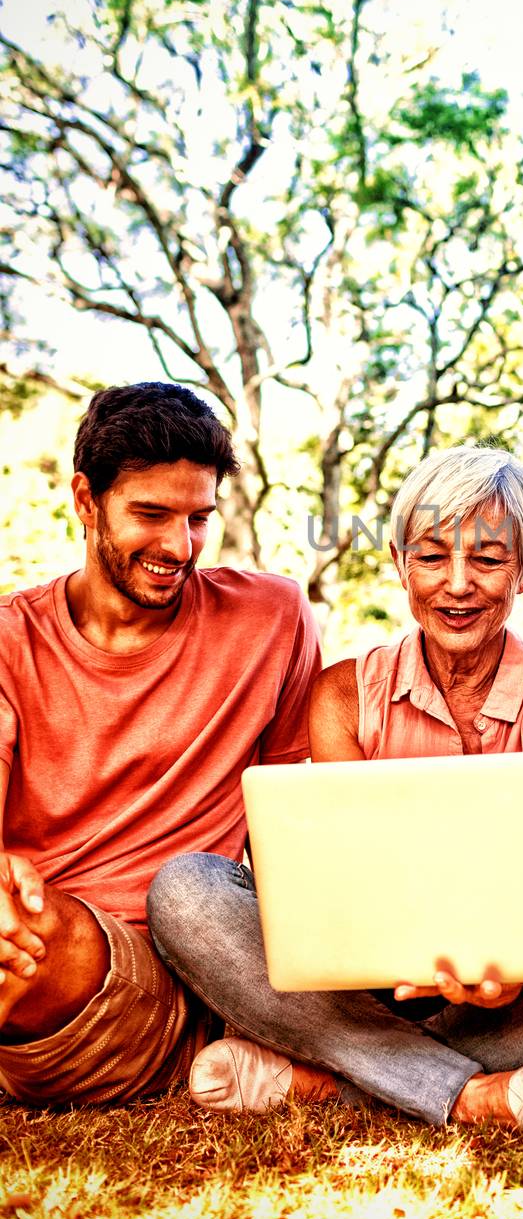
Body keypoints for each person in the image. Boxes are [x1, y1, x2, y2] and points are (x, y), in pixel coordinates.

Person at [148, 446, 523, 1140]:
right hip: (356, 981)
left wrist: (511, 971)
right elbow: (340, 880)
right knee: (186, 888)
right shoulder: (340, 695)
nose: (457, 584)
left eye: (487, 560)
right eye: (431, 558)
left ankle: (329, 1085)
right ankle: (477, 1093)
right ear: (398, 562)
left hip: (505, 992)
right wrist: (385, 953)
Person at [0, 383, 321, 1107]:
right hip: (49, 967)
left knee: (27, 939)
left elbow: (293, 829)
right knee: (18, 926)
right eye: (151, 515)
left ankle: (236, 1049)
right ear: (86, 500)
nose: (179, 548)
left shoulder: (269, 619)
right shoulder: (10, 641)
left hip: (178, 965)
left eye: (199, 519)